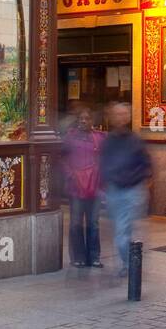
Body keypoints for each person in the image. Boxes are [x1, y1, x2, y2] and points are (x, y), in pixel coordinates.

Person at [99, 102, 152, 275]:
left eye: (124, 114)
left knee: (127, 228)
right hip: (115, 190)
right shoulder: (108, 141)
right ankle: (130, 262)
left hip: (133, 190)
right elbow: (103, 163)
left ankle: (131, 265)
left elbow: (146, 163)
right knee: (122, 229)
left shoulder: (135, 140)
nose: (121, 118)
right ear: (112, 118)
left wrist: (143, 182)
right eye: (117, 114)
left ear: (128, 117)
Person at [60, 106, 103, 268]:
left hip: (95, 186)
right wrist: (70, 174)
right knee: (76, 222)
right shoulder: (69, 138)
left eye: (87, 119)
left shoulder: (99, 138)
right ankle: (78, 257)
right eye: (81, 119)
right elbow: (62, 158)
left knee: (93, 222)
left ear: (92, 121)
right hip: (76, 187)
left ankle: (94, 256)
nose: (83, 121)